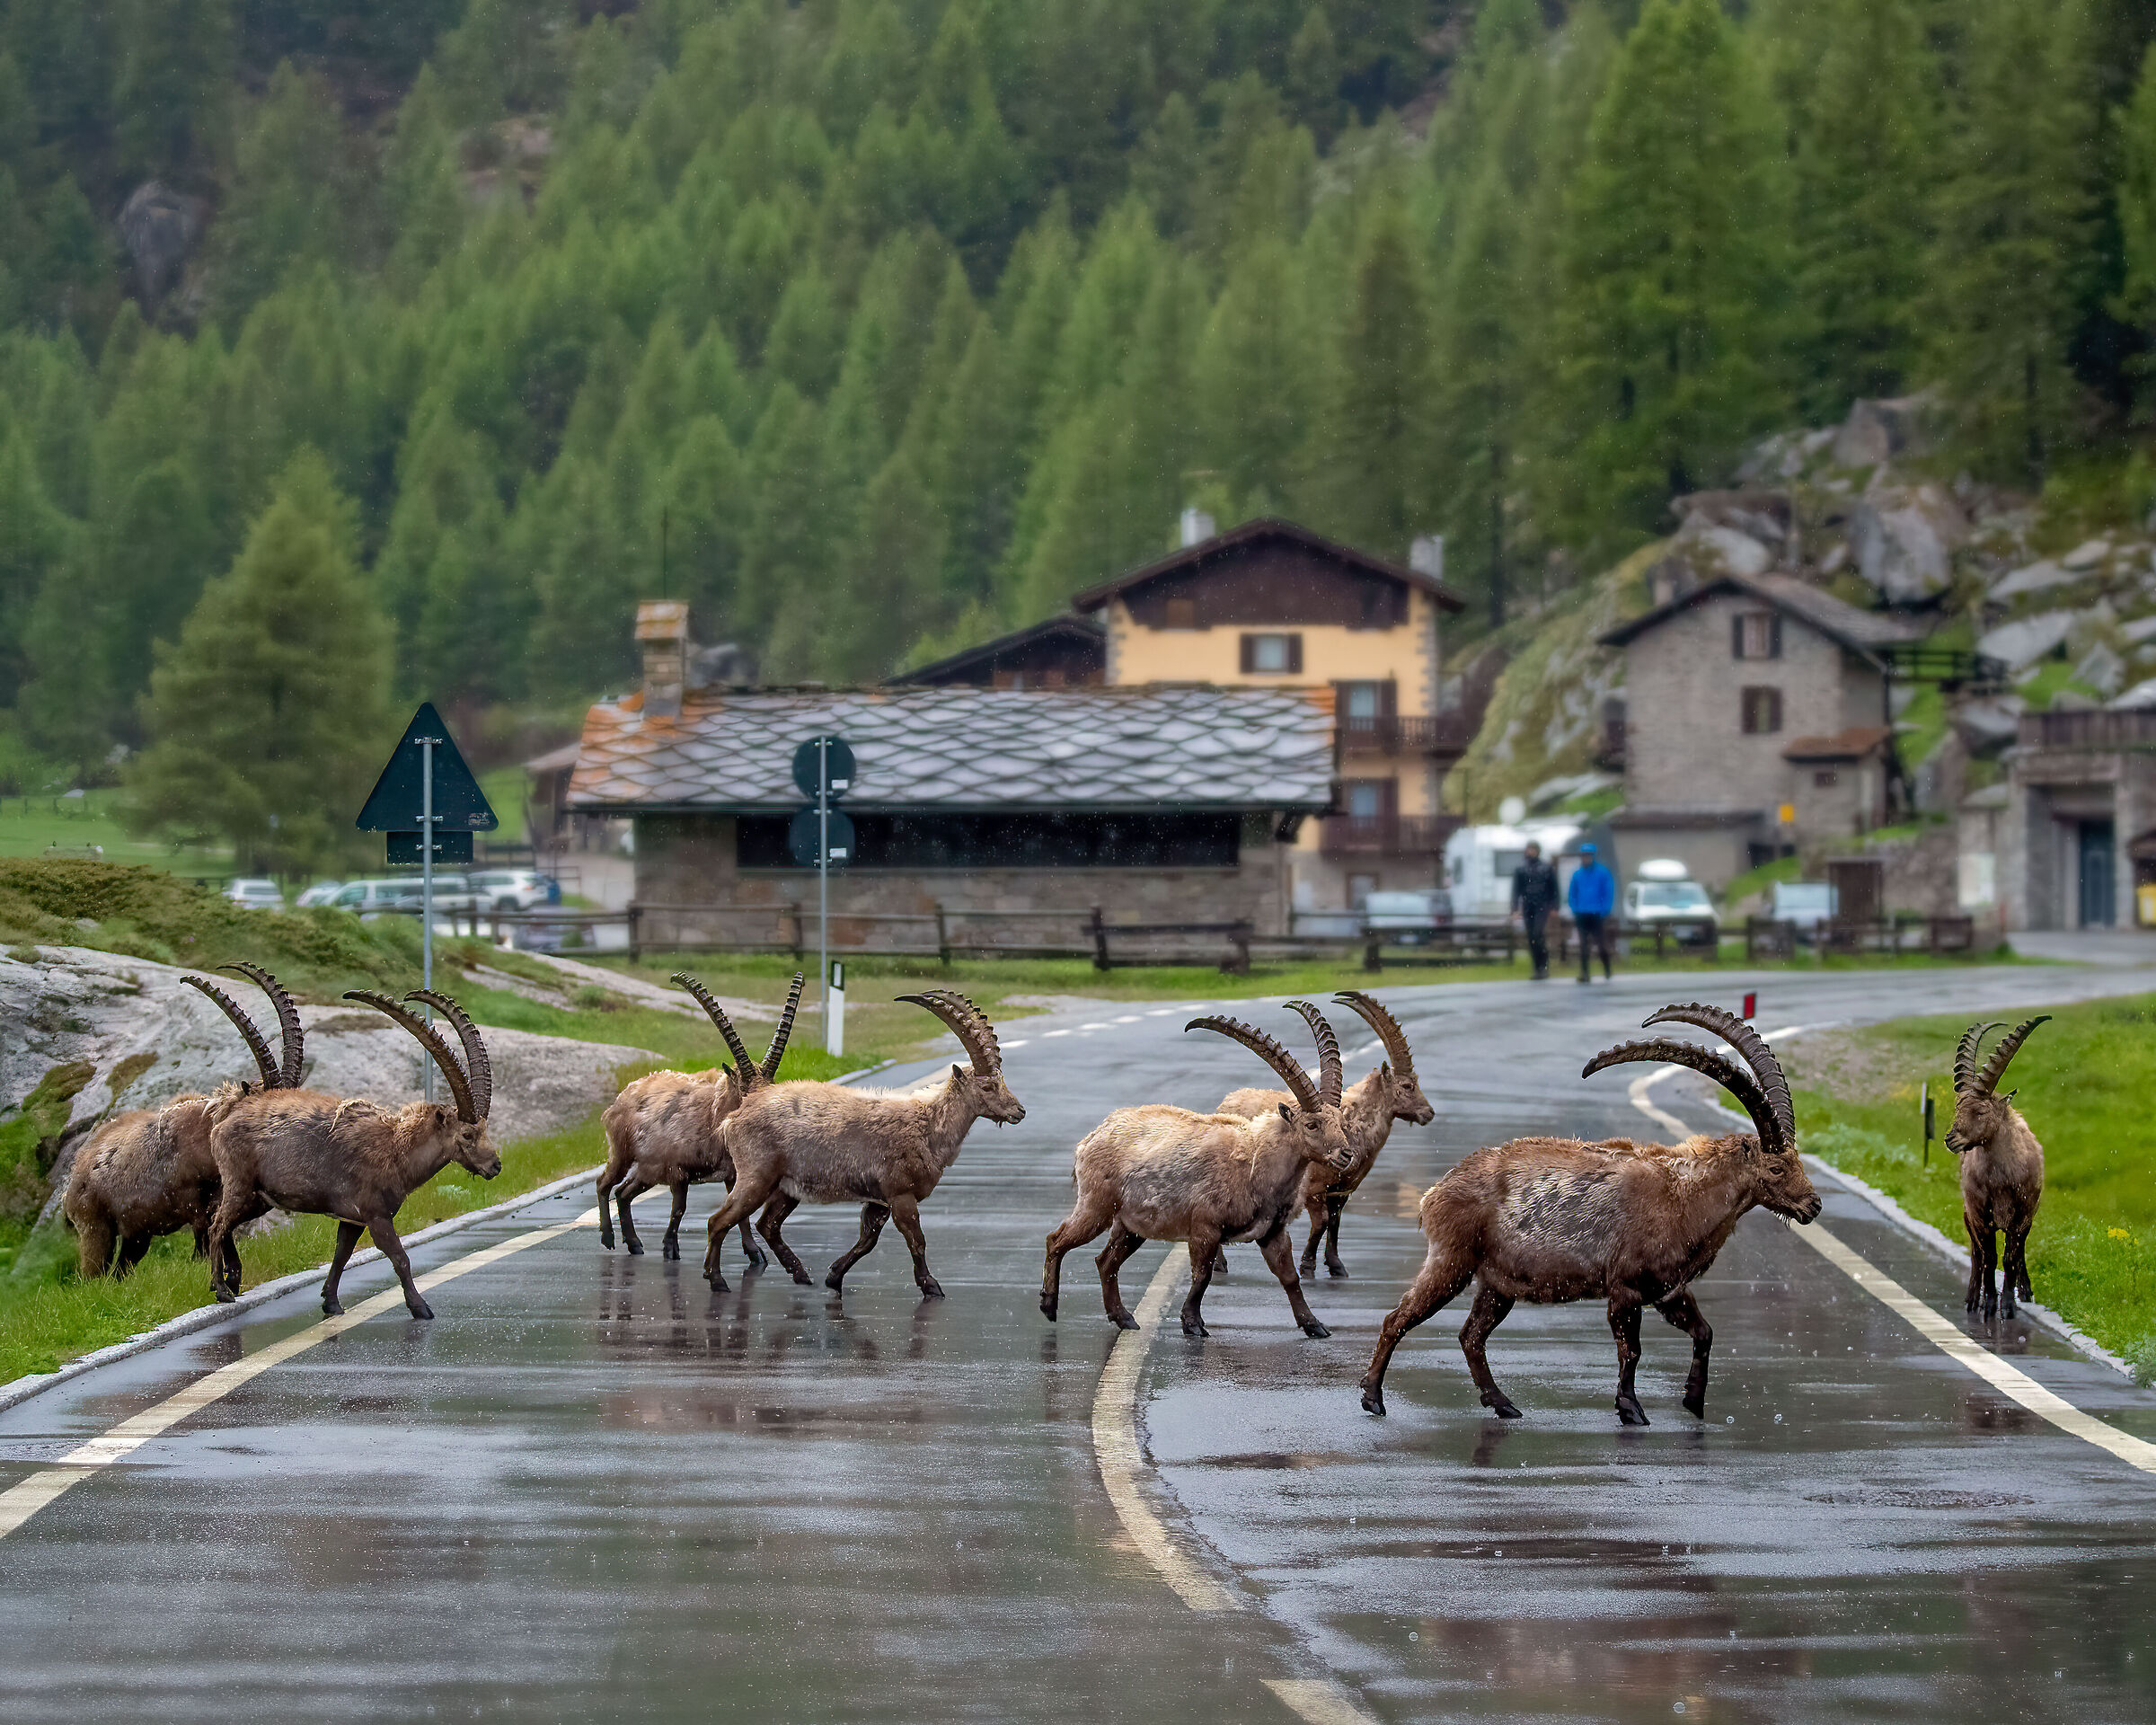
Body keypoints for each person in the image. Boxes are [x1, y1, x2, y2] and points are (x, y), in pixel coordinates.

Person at [1509, 840, 1559, 980]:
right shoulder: (1521, 869)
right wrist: (1514, 908)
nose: (1531, 852)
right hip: (1528, 906)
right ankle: (1537, 967)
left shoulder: (1546, 868)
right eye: (1529, 849)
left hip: (1542, 906)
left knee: (1538, 934)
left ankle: (1544, 965)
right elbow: (1516, 890)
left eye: (1533, 849)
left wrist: (1554, 906)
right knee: (1531, 938)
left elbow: (1553, 889)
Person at [1568, 841, 1615, 983]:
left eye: (1588, 856)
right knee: (1583, 945)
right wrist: (1575, 908)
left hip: (1597, 914)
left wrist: (1605, 909)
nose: (1585, 859)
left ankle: (1607, 968)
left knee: (1601, 944)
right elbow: (1572, 893)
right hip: (1582, 913)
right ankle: (1585, 973)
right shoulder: (1577, 875)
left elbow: (1608, 892)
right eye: (1583, 856)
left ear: (1593, 856)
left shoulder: (1602, 873)